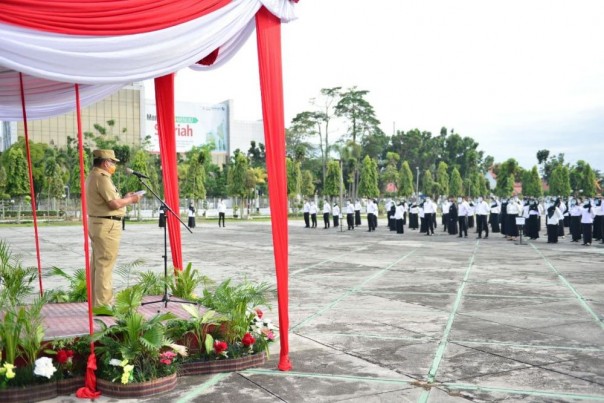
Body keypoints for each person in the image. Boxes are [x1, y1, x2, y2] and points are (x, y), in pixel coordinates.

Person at [86, 149, 142, 309]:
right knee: (105, 265)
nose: (113, 166)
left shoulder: (93, 176)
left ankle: (96, 303)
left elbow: (112, 201)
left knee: (98, 265)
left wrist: (124, 198)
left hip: (99, 224)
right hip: (107, 226)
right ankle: (104, 305)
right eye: (112, 163)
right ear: (105, 162)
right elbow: (113, 204)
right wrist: (131, 200)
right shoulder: (102, 178)